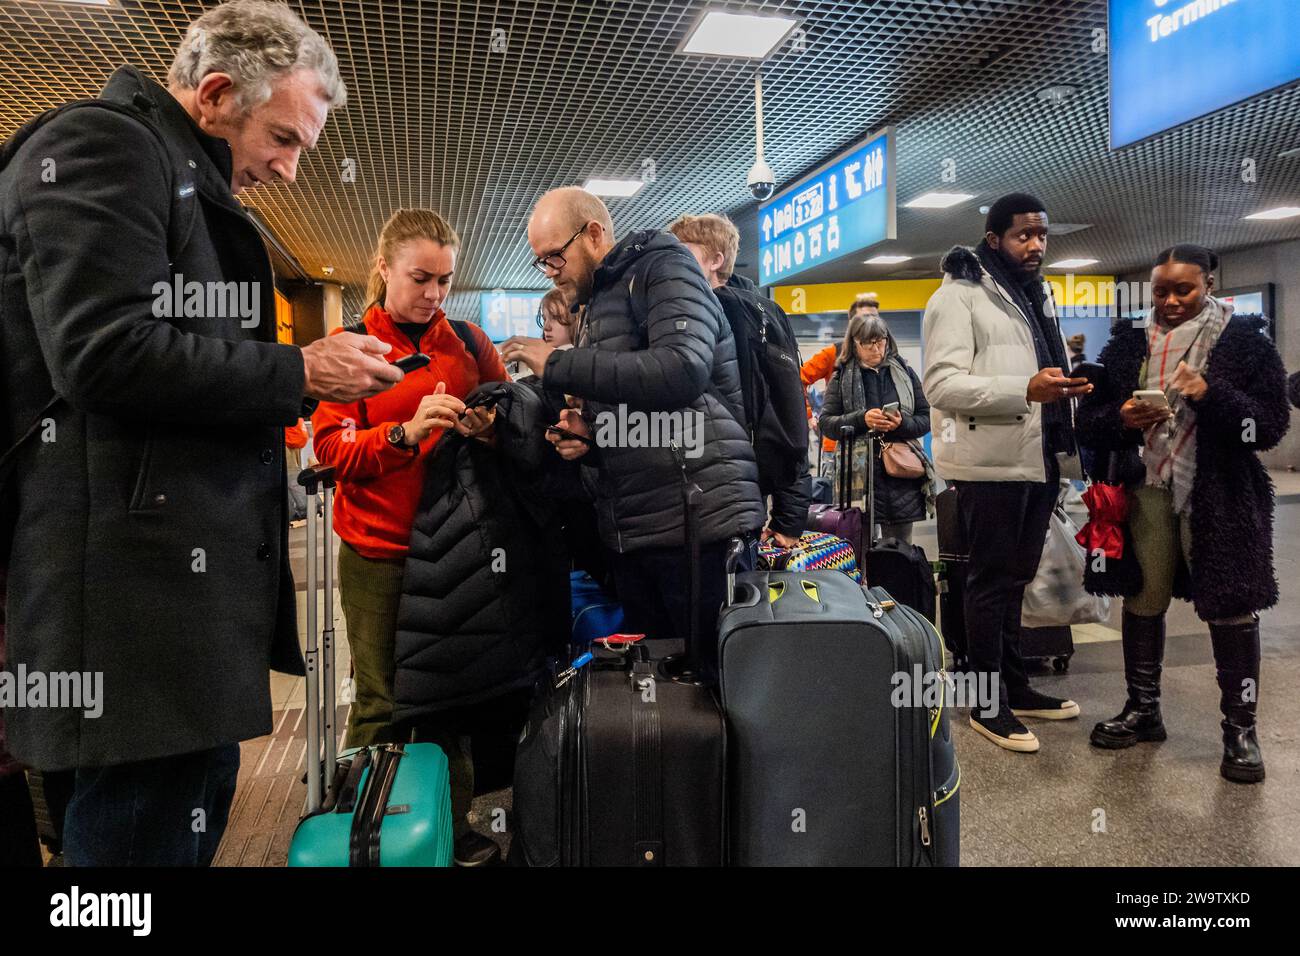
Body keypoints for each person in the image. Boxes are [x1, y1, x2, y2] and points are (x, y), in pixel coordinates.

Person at [0, 0, 403, 867]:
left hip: (152, 616)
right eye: (286, 139)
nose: (292, 170)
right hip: (128, 621)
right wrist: (299, 373)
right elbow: (104, 351)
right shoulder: (107, 149)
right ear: (216, 94)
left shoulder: (167, 169)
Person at [310, 208, 507, 864]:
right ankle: (362, 833)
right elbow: (331, 450)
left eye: (445, 280)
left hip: (454, 550)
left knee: (451, 698)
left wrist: (491, 429)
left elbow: (513, 418)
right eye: (420, 277)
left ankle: (453, 829)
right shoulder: (353, 346)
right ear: (384, 269)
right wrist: (405, 433)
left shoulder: (471, 343)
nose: (433, 293)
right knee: (381, 700)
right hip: (378, 553)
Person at [502, 188, 764, 677]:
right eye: (541, 261)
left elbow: (681, 370)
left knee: (717, 691)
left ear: (595, 234)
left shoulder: (663, 268)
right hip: (641, 532)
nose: (551, 270)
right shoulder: (598, 306)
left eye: (555, 255)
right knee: (661, 702)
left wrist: (560, 364)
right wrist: (593, 437)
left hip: (699, 526)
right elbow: (655, 421)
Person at [1077, 244, 1289, 783]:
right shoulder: (1130, 343)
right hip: (1145, 490)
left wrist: (1209, 392)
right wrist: (1123, 416)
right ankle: (1144, 711)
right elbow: (1092, 424)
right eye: (1161, 291)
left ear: (1210, 285)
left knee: (1231, 606)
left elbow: (1266, 427)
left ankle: (1241, 729)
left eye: (1184, 290)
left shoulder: (1244, 342)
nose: (1170, 301)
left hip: (1219, 496)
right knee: (1143, 598)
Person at [922, 193, 1092, 753]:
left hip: (1036, 458)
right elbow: (941, 386)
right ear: (993, 239)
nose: (1037, 245)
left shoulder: (1033, 296)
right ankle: (985, 701)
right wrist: (1025, 389)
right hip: (988, 464)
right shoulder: (957, 298)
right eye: (1024, 235)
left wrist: (1068, 390)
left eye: (1042, 235)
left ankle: (1015, 685)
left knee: (1017, 577)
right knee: (990, 582)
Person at [666, 212, 810, 549]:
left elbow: (786, 410)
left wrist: (789, 518)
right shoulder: (760, 311)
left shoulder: (745, 316)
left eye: (683, 254)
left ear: (716, 260)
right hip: (708, 490)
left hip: (733, 493)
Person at [818, 312, 931, 544]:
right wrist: (862, 419)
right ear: (855, 344)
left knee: (900, 550)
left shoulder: (905, 374)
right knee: (859, 547)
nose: (876, 349)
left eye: (881, 341)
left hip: (900, 476)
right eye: (868, 343)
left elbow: (925, 418)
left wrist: (901, 424)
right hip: (858, 479)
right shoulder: (841, 378)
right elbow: (827, 424)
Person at [803, 293, 880, 473]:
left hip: (877, 445)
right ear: (852, 322)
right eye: (866, 318)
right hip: (837, 446)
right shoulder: (834, 353)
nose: (872, 323)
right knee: (835, 500)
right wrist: (809, 416)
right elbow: (797, 378)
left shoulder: (884, 355)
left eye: (875, 318)